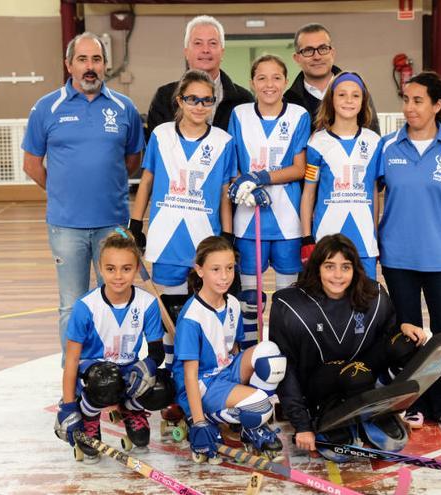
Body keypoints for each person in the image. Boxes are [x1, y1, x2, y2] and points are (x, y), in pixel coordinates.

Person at [22, 32, 145, 362]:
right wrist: (63, 191)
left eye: (96, 60)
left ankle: (113, 372)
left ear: (105, 65)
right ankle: (74, 378)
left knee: (117, 298)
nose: (90, 67)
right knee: (72, 303)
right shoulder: (47, 108)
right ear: (68, 65)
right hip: (67, 226)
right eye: (82, 60)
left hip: (112, 223)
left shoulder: (125, 108)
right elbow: (32, 164)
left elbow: (132, 159)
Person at [377, 71, 441, 432]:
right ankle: (414, 403)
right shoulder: (388, 147)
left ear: (437, 105)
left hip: (440, 257)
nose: (409, 108)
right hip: (397, 257)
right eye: (406, 100)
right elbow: (371, 195)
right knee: (408, 335)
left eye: (418, 100)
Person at [269, 234, 428, 462]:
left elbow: (387, 340)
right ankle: (330, 416)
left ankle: (378, 412)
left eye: (345, 267)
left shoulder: (374, 294)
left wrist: (403, 327)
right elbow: (286, 370)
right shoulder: (289, 305)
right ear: (316, 268)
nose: (337, 275)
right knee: (355, 374)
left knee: (405, 345)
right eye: (329, 266)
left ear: (355, 269)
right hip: (319, 386)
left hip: (362, 378)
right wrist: (302, 425)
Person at [129, 69, 236, 324]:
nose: (199, 106)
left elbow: (223, 193)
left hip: (205, 238)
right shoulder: (161, 135)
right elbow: (146, 182)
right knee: (170, 311)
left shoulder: (224, 141)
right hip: (167, 240)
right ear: (180, 100)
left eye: (206, 100)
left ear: (214, 102)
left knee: (205, 310)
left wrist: (228, 236)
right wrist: (135, 225)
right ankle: (170, 360)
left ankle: (201, 361)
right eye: (192, 99)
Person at [54, 230, 171, 463]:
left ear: (137, 268)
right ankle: (89, 415)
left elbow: (157, 351)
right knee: (107, 379)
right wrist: (68, 407)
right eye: (110, 269)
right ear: (99, 267)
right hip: (95, 371)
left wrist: (146, 365)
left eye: (126, 269)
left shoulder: (147, 303)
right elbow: (71, 361)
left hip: (127, 368)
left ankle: (131, 408)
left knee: (163, 387)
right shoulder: (86, 306)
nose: (118, 276)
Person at [172, 236, 287, 464]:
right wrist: (198, 422)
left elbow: (233, 348)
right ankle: (214, 418)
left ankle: (247, 421)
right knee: (262, 407)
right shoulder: (191, 318)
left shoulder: (233, 303)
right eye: (215, 269)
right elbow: (189, 376)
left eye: (229, 268)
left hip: (226, 371)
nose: (224, 276)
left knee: (271, 354)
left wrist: (238, 388)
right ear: (200, 270)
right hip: (203, 384)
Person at [227, 54, 310, 349]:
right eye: (261, 77)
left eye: (276, 77)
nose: (269, 84)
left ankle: (282, 353)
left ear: (286, 82)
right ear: (252, 82)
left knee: (287, 298)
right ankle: (251, 356)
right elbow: (234, 166)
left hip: (288, 220)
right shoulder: (239, 114)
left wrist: (260, 177)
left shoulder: (299, 115)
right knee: (250, 299)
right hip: (248, 220)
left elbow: (299, 169)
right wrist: (244, 187)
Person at [299, 71, 382, 278]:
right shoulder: (317, 142)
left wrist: (376, 236)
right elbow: (309, 193)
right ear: (331, 98)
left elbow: (373, 191)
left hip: (364, 241)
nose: (349, 100)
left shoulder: (374, 141)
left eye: (356, 95)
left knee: (364, 301)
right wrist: (307, 237)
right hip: (326, 237)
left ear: (364, 101)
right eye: (342, 94)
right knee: (328, 302)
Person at [147, 15, 254, 133]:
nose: (205, 50)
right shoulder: (164, 97)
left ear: (222, 52)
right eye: (198, 43)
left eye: (212, 43)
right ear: (186, 52)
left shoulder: (244, 100)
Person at [286, 23, 380, 134]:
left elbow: (373, 138)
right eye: (308, 50)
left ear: (332, 53)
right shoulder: (288, 101)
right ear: (297, 58)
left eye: (323, 48)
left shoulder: (357, 92)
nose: (317, 56)